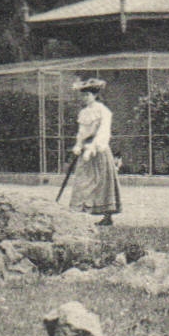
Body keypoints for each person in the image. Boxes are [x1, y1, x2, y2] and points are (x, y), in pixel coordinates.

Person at [68, 77, 120, 226]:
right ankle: (80, 212)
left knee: (102, 181)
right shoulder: (84, 112)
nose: (85, 98)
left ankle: (107, 216)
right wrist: (78, 145)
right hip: (85, 149)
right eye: (83, 95)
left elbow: (104, 131)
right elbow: (82, 131)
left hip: (98, 150)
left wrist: (93, 148)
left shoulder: (103, 111)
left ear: (95, 95)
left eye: (88, 95)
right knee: (82, 180)